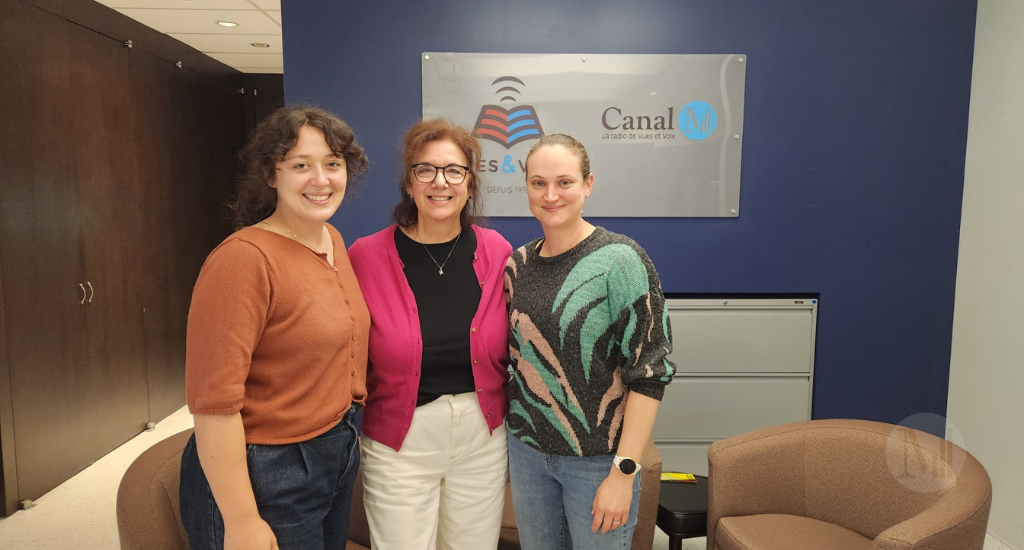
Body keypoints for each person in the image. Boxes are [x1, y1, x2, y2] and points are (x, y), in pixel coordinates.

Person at [179, 106, 370, 550]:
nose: (321, 180)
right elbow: (213, 404)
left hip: (333, 449)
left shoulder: (332, 240)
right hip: (266, 468)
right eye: (301, 165)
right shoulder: (243, 260)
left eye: (333, 164)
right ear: (271, 174)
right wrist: (242, 520)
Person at [503, 133, 675, 550]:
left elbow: (650, 374)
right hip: (527, 455)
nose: (551, 195)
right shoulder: (517, 265)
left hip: (597, 464)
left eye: (564, 182)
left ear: (588, 184)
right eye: (538, 183)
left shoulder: (621, 261)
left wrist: (623, 472)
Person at [347, 118, 512, 550]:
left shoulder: (497, 251)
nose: (441, 182)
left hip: (482, 435)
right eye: (426, 170)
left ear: (470, 183)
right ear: (409, 182)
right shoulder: (365, 256)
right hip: (401, 438)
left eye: (454, 170)